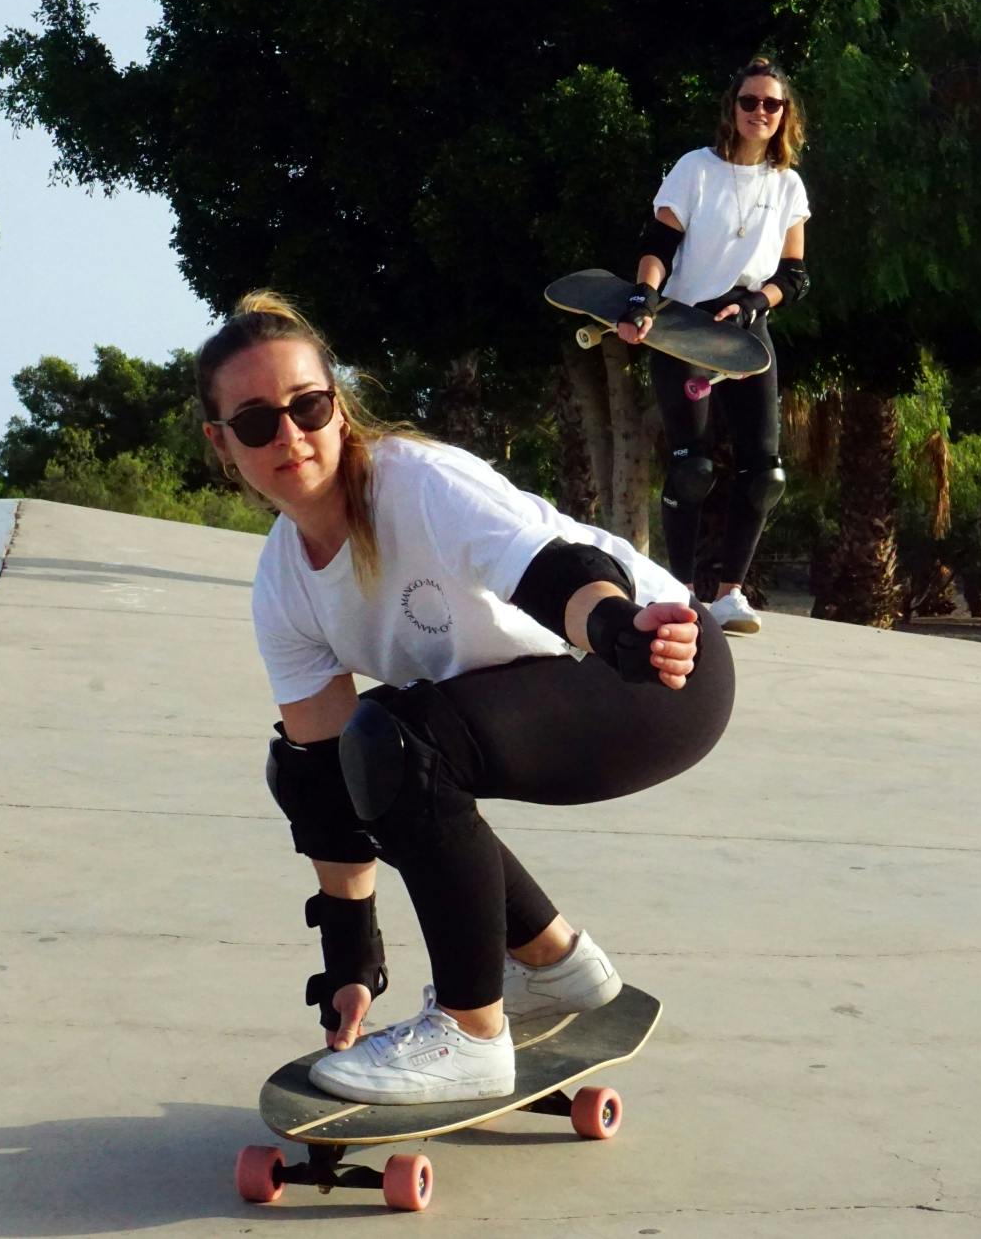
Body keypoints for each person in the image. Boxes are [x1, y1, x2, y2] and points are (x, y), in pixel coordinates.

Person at [200, 291, 735, 1105]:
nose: (290, 435)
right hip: (568, 684)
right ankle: (555, 965)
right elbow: (325, 785)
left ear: (337, 405)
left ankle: (472, 1032)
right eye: (256, 422)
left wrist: (624, 629)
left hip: (657, 668)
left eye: (308, 406)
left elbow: (554, 571)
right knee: (362, 755)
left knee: (399, 740)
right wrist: (349, 957)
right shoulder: (282, 586)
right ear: (220, 442)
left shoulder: (417, 483)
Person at [617, 56, 811, 634]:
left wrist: (756, 303)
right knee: (691, 466)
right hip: (684, 326)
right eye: (748, 101)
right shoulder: (694, 169)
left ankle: (730, 594)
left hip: (746, 331)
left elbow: (795, 276)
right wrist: (642, 300)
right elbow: (658, 245)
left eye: (771, 104)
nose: (759, 112)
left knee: (765, 472)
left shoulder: (788, 184)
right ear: (732, 108)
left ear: (784, 115)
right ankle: (677, 590)